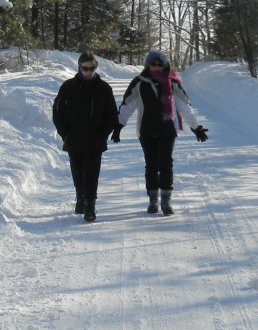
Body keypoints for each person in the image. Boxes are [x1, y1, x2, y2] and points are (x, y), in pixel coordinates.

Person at [114, 50, 208, 215]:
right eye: (153, 64)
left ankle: (166, 199)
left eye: (160, 64)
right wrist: (119, 125)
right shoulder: (139, 82)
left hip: (167, 129)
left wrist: (196, 127)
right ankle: (153, 200)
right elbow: (128, 105)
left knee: (165, 164)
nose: (156, 67)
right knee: (151, 165)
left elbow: (184, 106)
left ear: (165, 65)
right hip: (146, 129)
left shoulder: (173, 83)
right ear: (148, 65)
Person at [52, 52, 119, 222]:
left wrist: (103, 134)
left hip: (95, 139)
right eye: (85, 68)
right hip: (74, 137)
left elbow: (111, 115)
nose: (89, 71)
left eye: (92, 68)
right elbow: (58, 112)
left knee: (91, 172)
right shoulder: (68, 87)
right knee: (77, 171)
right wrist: (65, 133)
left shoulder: (104, 88)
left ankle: (90, 204)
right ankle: (80, 197)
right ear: (79, 67)